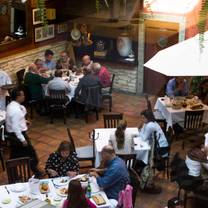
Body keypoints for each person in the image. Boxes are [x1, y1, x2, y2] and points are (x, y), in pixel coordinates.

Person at [6, 88, 41, 176]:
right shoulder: (16, 110)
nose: (24, 96)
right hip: (17, 135)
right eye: (22, 95)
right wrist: (22, 139)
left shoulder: (12, 105)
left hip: (13, 135)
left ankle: (14, 174)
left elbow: (15, 120)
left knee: (15, 155)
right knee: (31, 154)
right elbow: (15, 126)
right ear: (18, 97)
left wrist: (24, 121)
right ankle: (37, 173)